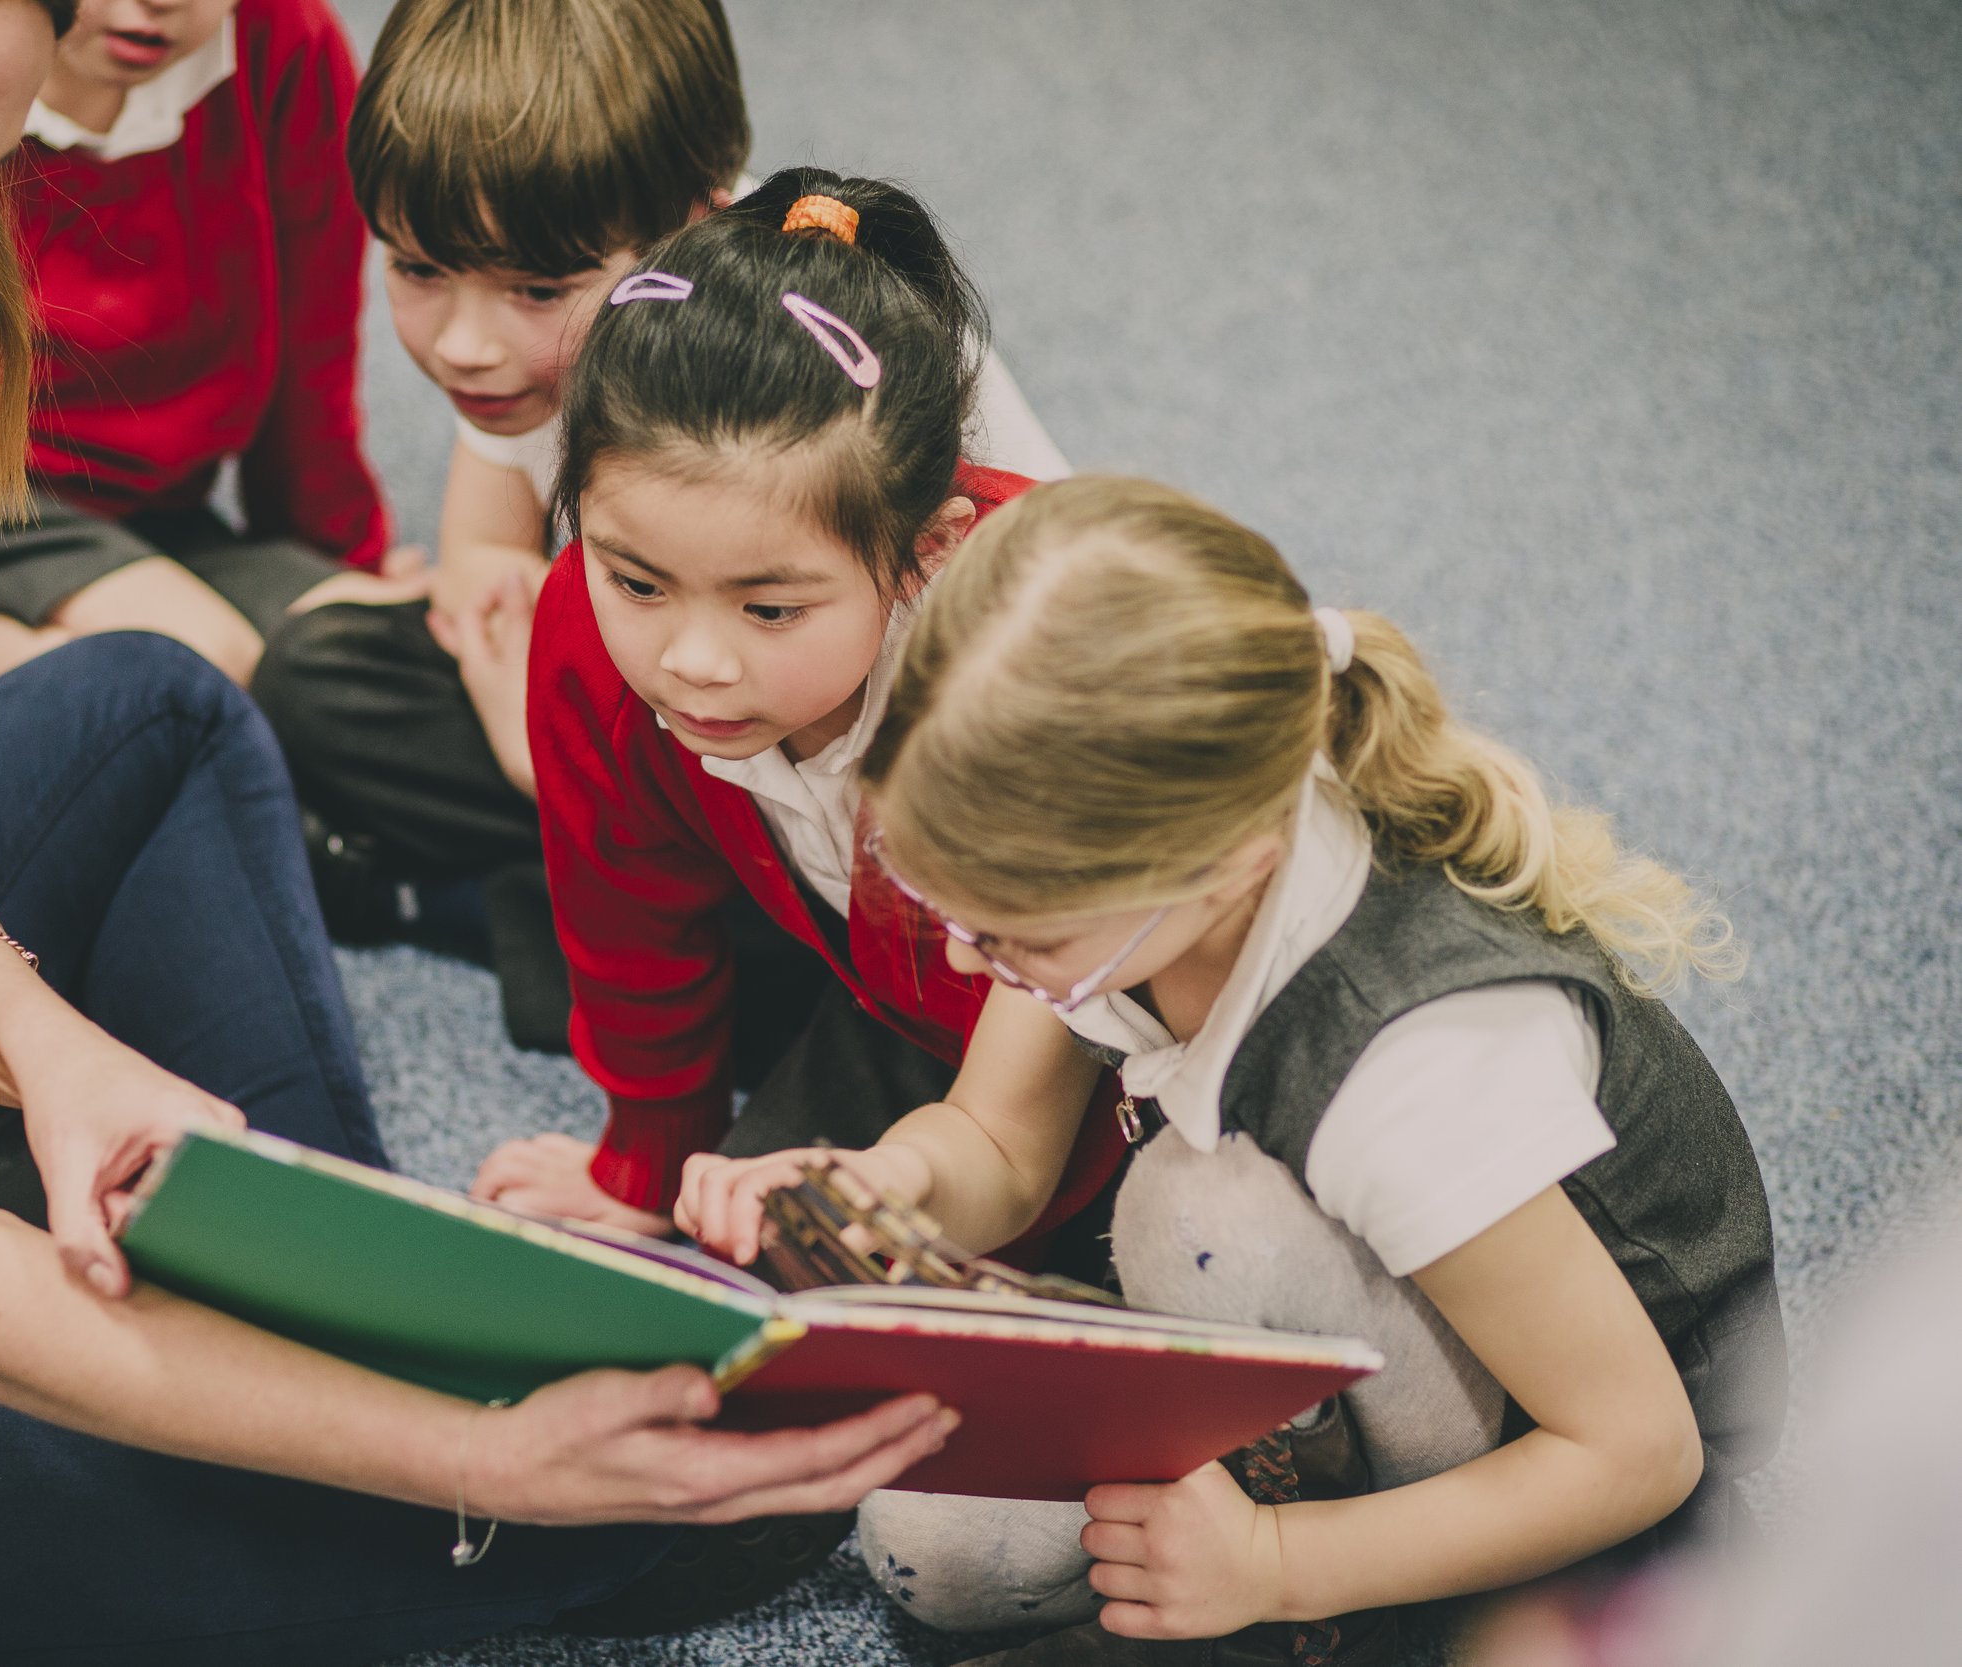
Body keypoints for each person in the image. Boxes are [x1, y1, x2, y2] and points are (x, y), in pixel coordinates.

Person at [0, 5, 956, 1662]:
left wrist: (36, 1039)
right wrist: (473, 1456)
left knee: (157, 706)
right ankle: (375, 1409)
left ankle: (355, 1311)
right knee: (751, 1467)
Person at [676, 477, 1789, 1665]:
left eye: (1009, 923)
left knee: (1202, 1213)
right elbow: (997, 1143)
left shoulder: (1414, 1062)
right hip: (1348, 1341)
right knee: (930, 1543)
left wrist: (1272, 1565)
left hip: (1580, 1465)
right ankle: (1307, 1560)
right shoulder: (1119, 872)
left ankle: (1382, 1605)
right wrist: (878, 1182)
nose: (960, 948)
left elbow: (1637, 1452)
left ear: (1218, 866)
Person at [255, 0, 1069, 973]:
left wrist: (539, 747)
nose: (462, 347)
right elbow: (484, 558)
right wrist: (499, 647)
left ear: (697, 225)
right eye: (420, 268)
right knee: (318, 673)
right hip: (690, 697)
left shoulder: (840, 345)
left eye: (536, 289)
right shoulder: (524, 356)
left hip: (887, 770)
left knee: (895, 979)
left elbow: (1048, 678)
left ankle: (506, 913)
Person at [484, 170, 1129, 1282]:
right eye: (635, 579)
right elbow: (625, 913)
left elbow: (1017, 1132)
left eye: (768, 607)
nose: (689, 658)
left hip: (1119, 1039)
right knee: (730, 1254)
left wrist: (929, 1209)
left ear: (933, 548)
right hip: (895, 995)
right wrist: (643, 1165)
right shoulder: (588, 636)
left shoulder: (1041, 664)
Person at [0, 0, 404, 766]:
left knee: (387, 652)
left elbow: (314, 360)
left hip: (154, 517)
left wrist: (348, 562)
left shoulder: (287, 47)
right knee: (197, 662)